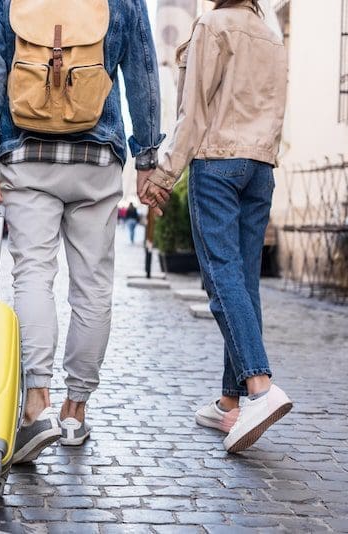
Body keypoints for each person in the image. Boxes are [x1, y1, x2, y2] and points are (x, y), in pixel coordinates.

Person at [0, 0, 163, 463]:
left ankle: (37, 406)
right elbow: (143, 69)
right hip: (97, 154)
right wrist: (148, 156)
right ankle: (75, 411)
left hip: (25, 151)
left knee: (33, 274)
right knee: (93, 285)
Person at [140, 0, 292, 453]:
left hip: (219, 163)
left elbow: (193, 115)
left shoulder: (212, 25)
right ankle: (232, 402)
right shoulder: (272, 35)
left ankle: (261, 389)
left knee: (222, 276)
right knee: (244, 281)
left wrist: (163, 175)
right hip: (260, 167)